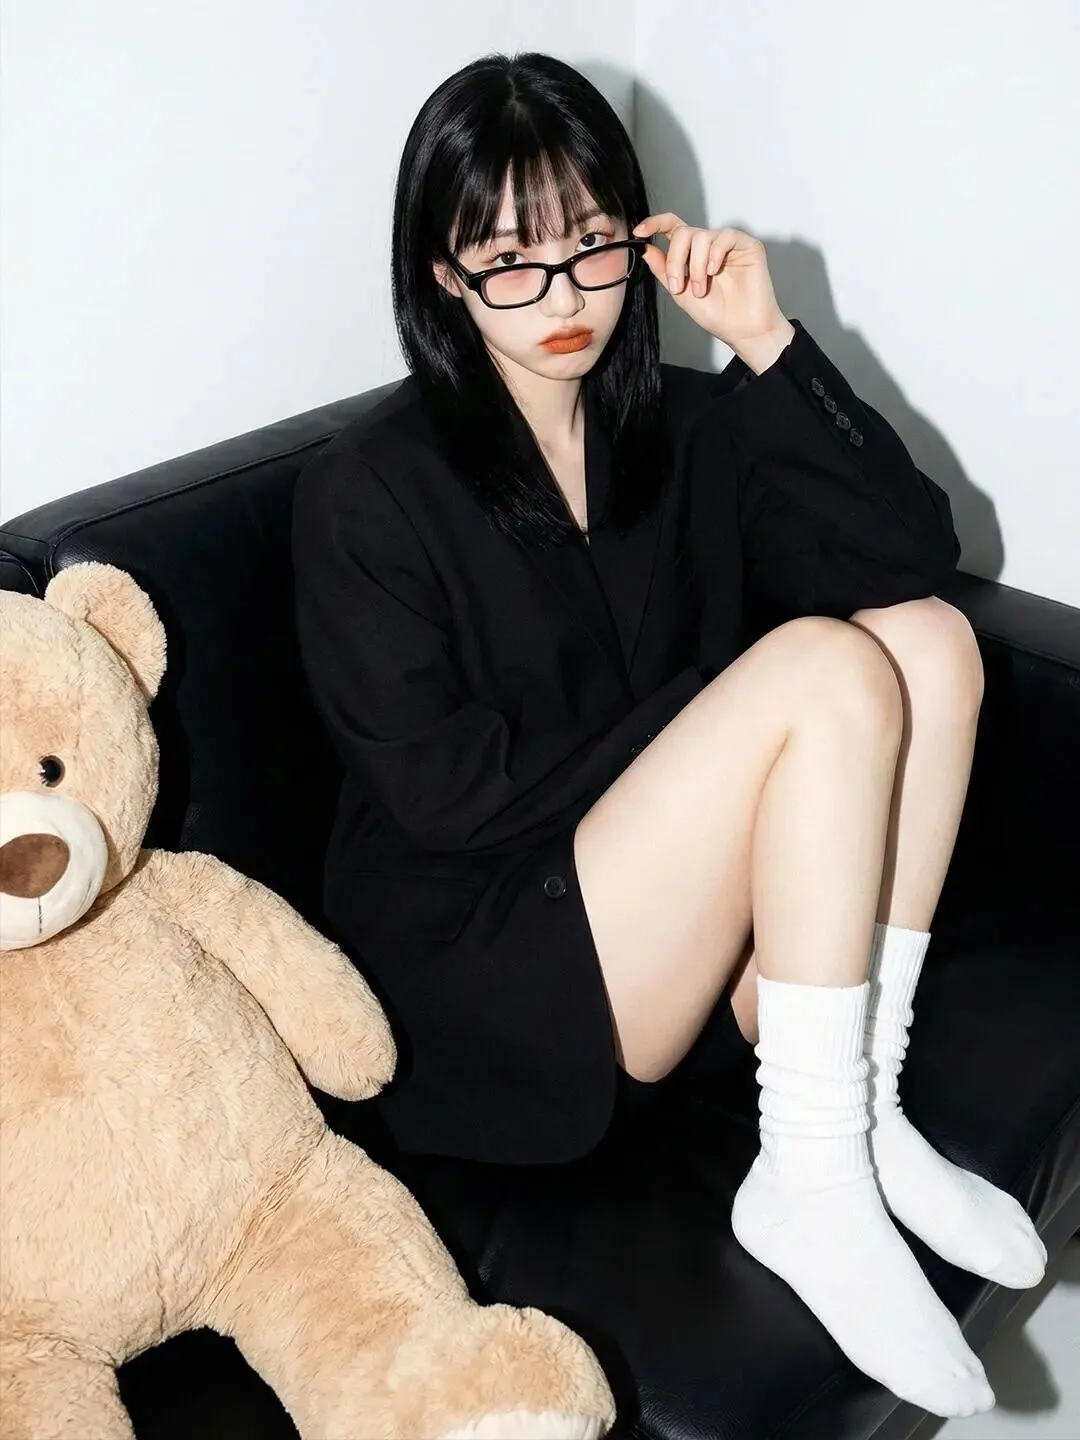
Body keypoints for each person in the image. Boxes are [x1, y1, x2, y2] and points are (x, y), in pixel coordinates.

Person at [292, 50, 1045, 1419]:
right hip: (495, 965)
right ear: (444, 275)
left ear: (636, 237)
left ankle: (856, 1110)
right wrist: (728, 711)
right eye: (510, 261)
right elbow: (446, 796)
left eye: (590, 246)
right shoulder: (369, 492)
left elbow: (915, 552)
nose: (564, 297)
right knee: (819, 671)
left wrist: (768, 342)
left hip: (669, 938)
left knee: (926, 643)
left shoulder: (686, 430)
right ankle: (812, 1176)